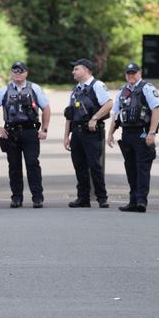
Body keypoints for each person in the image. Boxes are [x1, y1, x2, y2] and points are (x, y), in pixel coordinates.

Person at [0, 61, 51, 208]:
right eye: (15, 72)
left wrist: (44, 130)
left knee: (32, 165)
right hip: (11, 133)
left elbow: (46, 108)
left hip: (30, 132)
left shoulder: (35, 88)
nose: (17, 74)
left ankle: (37, 197)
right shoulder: (4, 90)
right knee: (14, 166)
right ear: (11, 73)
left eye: (20, 71)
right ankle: (16, 198)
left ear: (26, 73)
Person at [107, 62, 159, 213]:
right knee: (130, 168)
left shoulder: (147, 88)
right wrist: (110, 133)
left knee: (142, 168)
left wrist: (152, 133)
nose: (131, 76)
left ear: (139, 73)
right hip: (127, 134)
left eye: (134, 73)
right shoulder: (122, 91)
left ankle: (141, 201)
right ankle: (132, 201)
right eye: (128, 73)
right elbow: (116, 114)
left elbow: (155, 110)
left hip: (142, 132)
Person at [63, 59, 112, 208]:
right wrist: (66, 136)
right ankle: (83, 198)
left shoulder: (97, 85)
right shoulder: (76, 89)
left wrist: (94, 118)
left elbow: (109, 104)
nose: (73, 72)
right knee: (79, 166)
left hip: (91, 132)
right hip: (76, 132)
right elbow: (70, 114)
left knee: (94, 165)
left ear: (86, 70)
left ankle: (102, 197)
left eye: (76, 69)